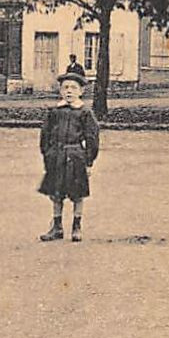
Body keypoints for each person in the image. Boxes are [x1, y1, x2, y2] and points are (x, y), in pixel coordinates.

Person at [39, 71, 101, 242]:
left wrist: (89, 161)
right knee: (56, 192)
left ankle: (76, 226)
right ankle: (57, 227)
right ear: (60, 91)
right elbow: (45, 136)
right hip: (56, 155)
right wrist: (47, 156)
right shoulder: (54, 112)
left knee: (77, 192)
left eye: (73, 88)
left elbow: (92, 138)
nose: (69, 91)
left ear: (81, 91)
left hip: (75, 156)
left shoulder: (84, 113)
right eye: (65, 87)